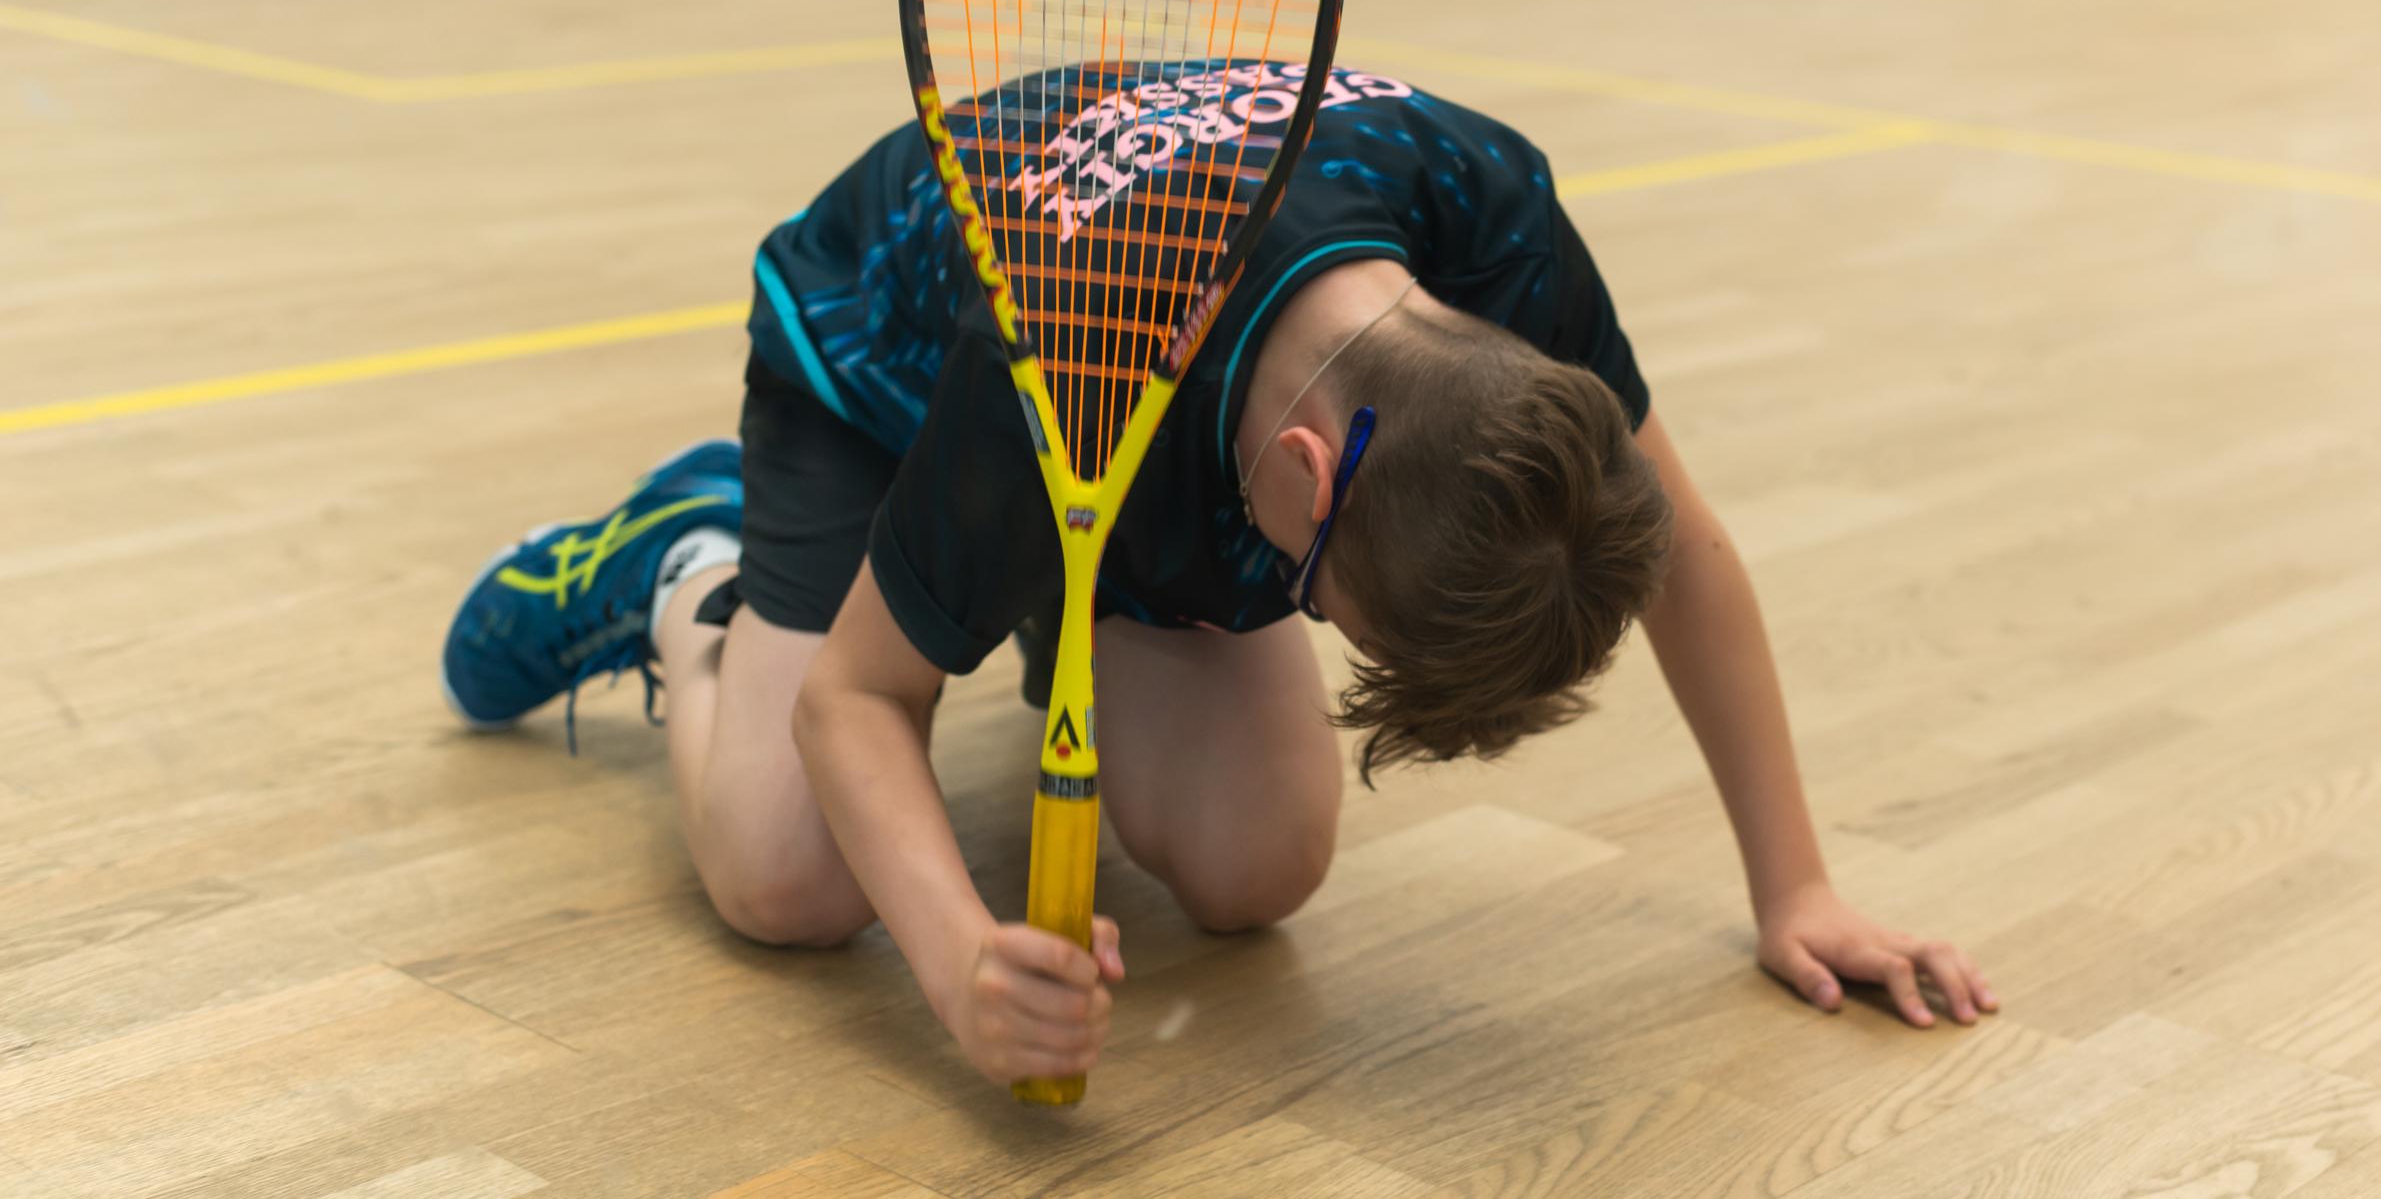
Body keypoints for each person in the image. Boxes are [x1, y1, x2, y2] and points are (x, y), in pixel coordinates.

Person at [440, 62, 1996, 1091]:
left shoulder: (1498, 228)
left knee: (1258, 868)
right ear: (1310, 478)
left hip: (1153, 423)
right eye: (1327, 602)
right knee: (790, 878)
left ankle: (1061, 584)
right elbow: (859, 703)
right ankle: (686, 567)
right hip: (887, 369)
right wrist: (961, 967)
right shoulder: (1061, 332)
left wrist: (1796, 884)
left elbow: (1683, 552)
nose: (1317, 622)